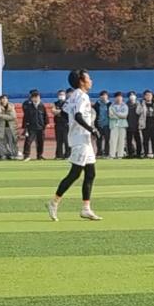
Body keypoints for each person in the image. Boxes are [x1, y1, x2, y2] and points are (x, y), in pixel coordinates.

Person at [47, 69, 103, 221]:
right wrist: (91, 129)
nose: (91, 80)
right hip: (81, 140)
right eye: (88, 78)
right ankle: (54, 202)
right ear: (81, 81)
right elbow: (77, 116)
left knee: (90, 173)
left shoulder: (73, 96)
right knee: (75, 173)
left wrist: (75, 127)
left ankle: (86, 208)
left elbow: (65, 114)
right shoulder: (82, 96)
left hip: (82, 139)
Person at [20, 90, 47, 161]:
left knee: (40, 142)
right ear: (32, 98)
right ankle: (26, 155)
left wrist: (45, 124)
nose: (36, 98)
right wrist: (25, 126)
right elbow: (25, 117)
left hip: (40, 127)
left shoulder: (42, 106)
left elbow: (45, 116)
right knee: (28, 142)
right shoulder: (28, 106)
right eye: (34, 97)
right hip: (31, 127)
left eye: (37, 97)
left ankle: (39, 155)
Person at [0, 94, 18, 160]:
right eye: (2, 99)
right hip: (1, 128)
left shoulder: (11, 106)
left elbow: (13, 117)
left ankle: (14, 155)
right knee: (1, 142)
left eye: (5, 98)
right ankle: (3, 155)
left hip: (10, 127)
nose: (4, 100)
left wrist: (2, 116)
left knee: (12, 142)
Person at [108, 92, 129, 159]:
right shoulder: (111, 106)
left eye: (120, 97)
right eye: (117, 97)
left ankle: (120, 155)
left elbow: (125, 115)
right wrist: (120, 115)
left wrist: (116, 113)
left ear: (122, 98)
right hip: (114, 125)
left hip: (122, 125)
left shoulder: (125, 106)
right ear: (115, 98)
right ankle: (112, 155)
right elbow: (111, 116)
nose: (119, 98)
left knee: (121, 141)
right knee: (113, 140)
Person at [53, 89, 70, 159]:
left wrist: (59, 111)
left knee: (67, 140)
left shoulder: (68, 103)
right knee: (59, 140)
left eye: (63, 94)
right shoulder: (55, 103)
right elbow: (53, 111)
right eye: (60, 94)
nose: (61, 96)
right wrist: (61, 111)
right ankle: (59, 155)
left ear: (65, 95)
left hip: (66, 124)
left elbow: (67, 111)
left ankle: (67, 155)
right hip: (58, 124)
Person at [94, 90, 111, 156]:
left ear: (107, 96)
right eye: (102, 95)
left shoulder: (110, 104)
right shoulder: (97, 104)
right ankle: (99, 152)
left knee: (107, 139)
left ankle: (107, 153)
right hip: (99, 124)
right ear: (100, 97)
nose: (103, 97)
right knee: (99, 139)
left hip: (107, 124)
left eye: (105, 95)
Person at [125, 91, 141, 158]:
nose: (132, 96)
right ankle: (130, 154)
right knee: (129, 141)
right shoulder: (126, 105)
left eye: (133, 95)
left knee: (138, 140)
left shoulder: (139, 104)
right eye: (130, 95)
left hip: (137, 126)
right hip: (128, 126)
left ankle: (139, 153)